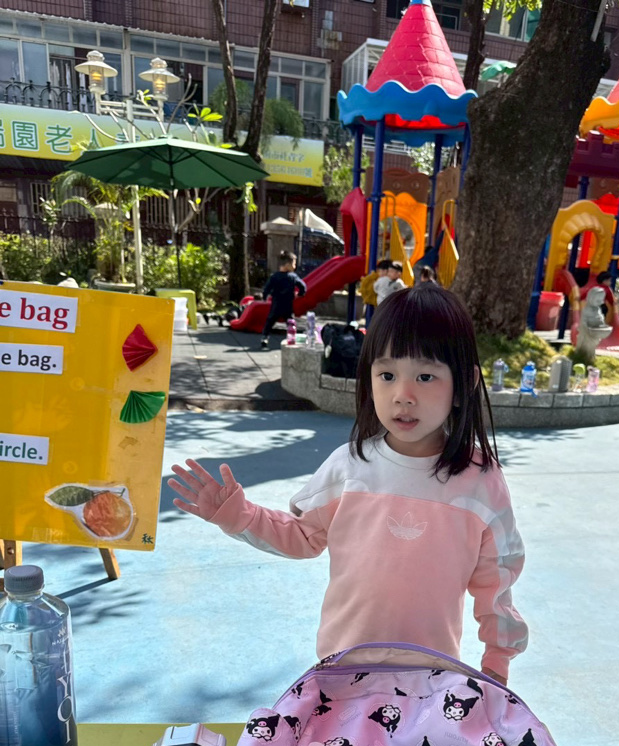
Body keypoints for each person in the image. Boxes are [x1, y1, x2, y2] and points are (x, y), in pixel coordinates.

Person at [169, 286, 528, 684]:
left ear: (464, 384)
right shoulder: (349, 468)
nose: (403, 395)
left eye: (425, 376)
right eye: (387, 375)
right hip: (342, 673)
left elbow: (497, 582)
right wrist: (239, 515)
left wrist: (496, 665)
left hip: (431, 681)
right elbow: (302, 536)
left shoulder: (480, 482)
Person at [260, 250, 306, 350]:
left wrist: (264, 297)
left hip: (276, 305)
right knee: (290, 323)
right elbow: (302, 286)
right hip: (287, 306)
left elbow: (267, 288)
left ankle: (264, 337)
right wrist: (300, 294)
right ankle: (292, 338)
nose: (295, 267)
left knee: (270, 321)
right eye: (294, 264)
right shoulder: (293, 276)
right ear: (288, 265)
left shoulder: (274, 276)